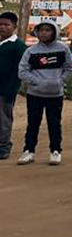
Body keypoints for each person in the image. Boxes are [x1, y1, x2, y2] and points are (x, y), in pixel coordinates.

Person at [16, 21, 72, 166]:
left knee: (54, 123)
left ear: (54, 32)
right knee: (33, 123)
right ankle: (29, 151)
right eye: (41, 30)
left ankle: (55, 151)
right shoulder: (31, 51)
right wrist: (37, 82)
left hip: (55, 95)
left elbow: (69, 68)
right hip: (35, 94)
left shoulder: (63, 49)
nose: (44, 33)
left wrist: (60, 81)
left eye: (48, 30)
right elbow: (22, 71)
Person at [0, 12, 27, 161]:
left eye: (6, 24)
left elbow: (18, 71)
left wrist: (11, 91)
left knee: (3, 119)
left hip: (5, 91)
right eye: (0, 24)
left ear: (14, 26)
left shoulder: (18, 46)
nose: (2, 27)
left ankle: (4, 146)